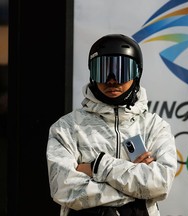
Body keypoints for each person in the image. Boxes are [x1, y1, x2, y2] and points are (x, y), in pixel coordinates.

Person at [46, 34, 177, 216]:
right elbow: (64, 189)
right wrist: (138, 190)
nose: (112, 80)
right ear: (92, 74)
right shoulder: (66, 127)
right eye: (103, 70)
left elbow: (160, 184)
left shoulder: (155, 127)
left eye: (122, 71)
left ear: (137, 73)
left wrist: (97, 167)